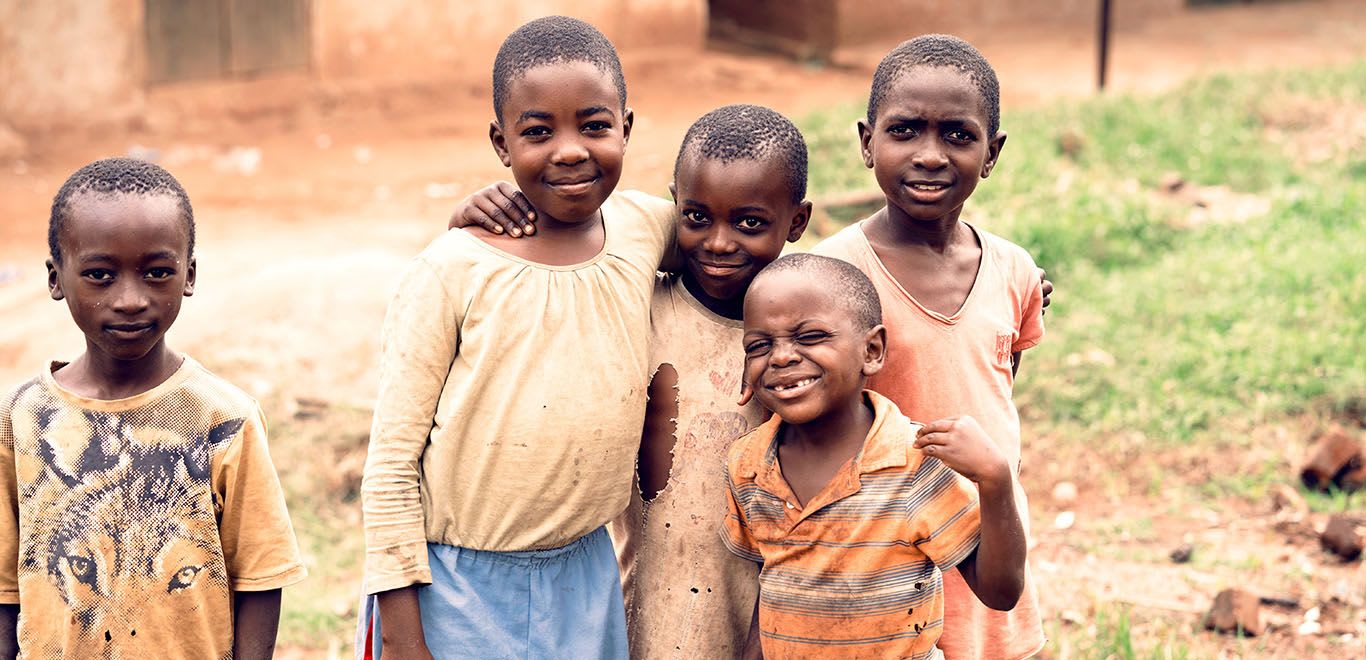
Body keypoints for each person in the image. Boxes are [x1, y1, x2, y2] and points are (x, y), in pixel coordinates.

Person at [358, 16, 675, 659]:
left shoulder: (647, 228)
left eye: (594, 125)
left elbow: (731, 234)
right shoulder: (451, 270)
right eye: (538, 132)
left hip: (587, 577)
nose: (568, 150)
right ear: (502, 145)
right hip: (454, 590)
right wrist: (403, 641)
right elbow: (390, 468)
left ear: (627, 128)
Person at [0, 157, 306, 659]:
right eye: (99, 275)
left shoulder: (222, 421)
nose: (129, 299)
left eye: (157, 272)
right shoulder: (19, 420)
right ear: (56, 279)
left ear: (188, 275)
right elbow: (5, 590)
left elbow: (259, 578)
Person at [812, 34, 1048, 659]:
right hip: (879, 553)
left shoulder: (1014, 270)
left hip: (989, 537)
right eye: (906, 130)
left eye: (958, 136)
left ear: (991, 153)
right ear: (868, 143)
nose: (930, 155)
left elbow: (996, 387)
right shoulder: (830, 276)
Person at [723, 253, 1025, 658]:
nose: (781, 357)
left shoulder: (915, 462)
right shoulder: (748, 465)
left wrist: (996, 480)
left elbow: (1000, 592)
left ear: (872, 350)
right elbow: (774, 584)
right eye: (760, 345)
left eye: (809, 337)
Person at [608, 104, 811, 657]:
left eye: (749, 223)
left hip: (755, 620)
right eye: (697, 217)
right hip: (632, 602)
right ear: (675, 204)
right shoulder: (638, 305)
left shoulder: (803, 343)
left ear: (797, 221)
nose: (720, 243)